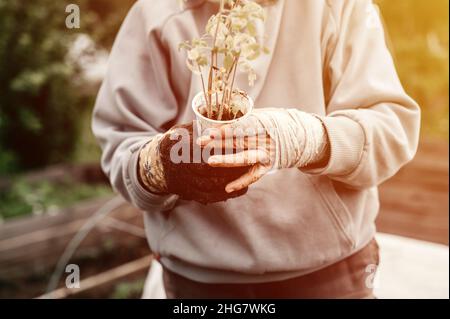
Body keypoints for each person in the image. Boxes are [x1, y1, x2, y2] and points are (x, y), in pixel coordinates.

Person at [92, 0, 420, 298]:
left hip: (329, 276)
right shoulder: (155, 13)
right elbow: (122, 144)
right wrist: (161, 165)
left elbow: (392, 132)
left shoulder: (340, 7)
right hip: (199, 284)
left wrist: (302, 138)